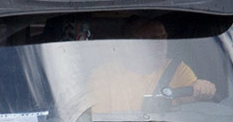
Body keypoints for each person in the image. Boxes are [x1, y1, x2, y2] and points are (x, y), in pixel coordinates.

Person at [84, 17, 215, 113]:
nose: (161, 45)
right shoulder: (104, 75)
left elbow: (192, 104)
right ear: (130, 44)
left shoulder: (177, 69)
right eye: (152, 39)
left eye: (163, 38)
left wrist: (203, 89)